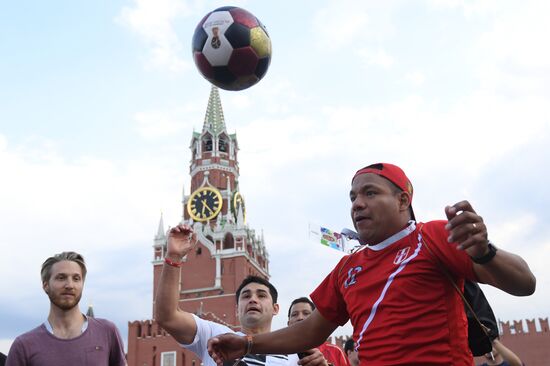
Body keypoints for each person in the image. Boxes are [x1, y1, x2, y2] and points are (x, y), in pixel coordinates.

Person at [207, 162, 536, 365]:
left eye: (370, 193)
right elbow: (308, 332)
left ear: (403, 200)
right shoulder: (347, 269)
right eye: (352, 197)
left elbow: (525, 284)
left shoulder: (433, 236)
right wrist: (248, 343)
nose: (357, 204)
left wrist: (484, 252)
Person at [155, 224, 327, 366]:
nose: (253, 299)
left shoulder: (297, 354)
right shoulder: (215, 336)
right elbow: (167, 317)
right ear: (237, 309)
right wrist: (173, 257)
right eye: (245, 296)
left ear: (276, 308)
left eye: (261, 295)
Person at [6, 251, 126, 366]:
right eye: (61, 278)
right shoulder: (24, 346)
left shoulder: (107, 332)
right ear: (45, 285)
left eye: (76, 278)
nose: (69, 285)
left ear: (82, 284)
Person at [287, 297, 349, 366]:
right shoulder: (278, 354)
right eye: (294, 314)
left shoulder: (336, 352)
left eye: (306, 313)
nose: (300, 318)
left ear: (315, 320)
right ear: (288, 323)